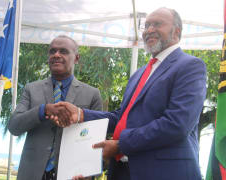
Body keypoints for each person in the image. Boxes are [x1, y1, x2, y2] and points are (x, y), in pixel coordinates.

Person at [53, 7, 207, 180]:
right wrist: (81, 114)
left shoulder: (191, 66)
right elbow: (123, 118)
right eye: (146, 25)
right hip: (122, 171)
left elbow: (177, 124)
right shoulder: (139, 74)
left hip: (165, 172)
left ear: (176, 31)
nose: (149, 30)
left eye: (157, 24)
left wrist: (120, 145)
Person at [8, 35, 103, 180]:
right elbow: (14, 126)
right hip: (31, 174)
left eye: (63, 51)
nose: (56, 55)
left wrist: (90, 174)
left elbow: (96, 139)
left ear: (76, 58)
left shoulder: (92, 94)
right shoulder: (31, 89)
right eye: (52, 51)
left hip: (73, 175)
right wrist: (43, 110)